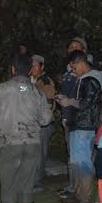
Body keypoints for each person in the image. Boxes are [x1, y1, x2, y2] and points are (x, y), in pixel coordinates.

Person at [0, 52, 52, 203]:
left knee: (9, 180)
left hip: (9, 142)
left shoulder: (1, 89)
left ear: (13, 69)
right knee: (27, 180)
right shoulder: (36, 91)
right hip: (31, 143)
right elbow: (46, 119)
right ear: (30, 70)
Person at [59, 50, 102, 203]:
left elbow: (87, 104)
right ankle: (79, 195)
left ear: (81, 63)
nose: (73, 71)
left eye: (73, 67)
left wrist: (69, 102)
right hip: (79, 125)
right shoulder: (86, 79)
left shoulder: (91, 80)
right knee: (77, 162)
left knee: (83, 162)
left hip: (84, 126)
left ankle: (83, 197)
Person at [55, 37, 91, 198]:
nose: (73, 49)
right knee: (72, 154)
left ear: (84, 51)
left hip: (80, 119)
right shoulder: (68, 71)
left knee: (80, 157)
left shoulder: (87, 72)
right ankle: (73, 186)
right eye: (71, 47)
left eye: (77, 47)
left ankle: (80, 191)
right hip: (68, 116)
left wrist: (68, 101)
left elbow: (84, 99)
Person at [28, 54, 59, 194]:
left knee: (39, 154)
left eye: (35, 65)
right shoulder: (28, 82)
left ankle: (38, 183)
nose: (32, 68)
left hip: (43, 124)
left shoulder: (45, 81)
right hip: (31, 124)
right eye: (31, 65)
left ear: (42, 67)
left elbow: (49, 104)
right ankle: (30, 181)